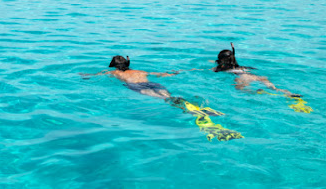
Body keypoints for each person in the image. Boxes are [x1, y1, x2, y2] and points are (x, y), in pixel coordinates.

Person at [82, 55, 243, 141]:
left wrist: (86, 76)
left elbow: (98, 75)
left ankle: (194, 113)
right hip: (153, 83)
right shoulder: (140, 70)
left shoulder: (115, 73)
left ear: (114, 65)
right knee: (170, 96)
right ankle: (198, 109)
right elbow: (159, 74)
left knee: (166, 100)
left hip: (137, 87)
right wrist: (171, 73)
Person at [214, 43, 301, 98]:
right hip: (254, 76)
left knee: (240, 89)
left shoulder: (222, 68)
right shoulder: (240, 66)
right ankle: (288, 93)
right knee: (274, 88)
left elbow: (215, 69)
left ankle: (259, 93)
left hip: (243, 78)